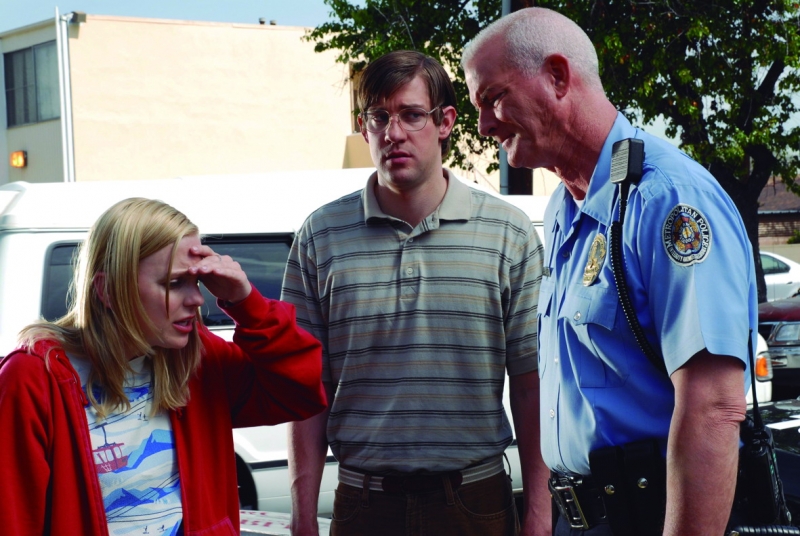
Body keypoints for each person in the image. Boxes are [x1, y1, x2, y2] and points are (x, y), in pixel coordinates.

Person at [462, 7, 757, 536]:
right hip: (582, 515)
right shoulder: (565, 207)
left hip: (652, 515)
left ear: (557, 76)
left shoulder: (668, 198)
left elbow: (713, 407)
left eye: (493, 98)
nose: (483, 125)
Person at [282, 50, 550, 536]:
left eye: (411, 115)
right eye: (379, 117)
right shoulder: (320, 236)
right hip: (363, 508)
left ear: (445, 122)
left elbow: (532, 384)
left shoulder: (509, 234)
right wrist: (303, 518)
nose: (394, 133)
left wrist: (539, 510)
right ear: (363, 128)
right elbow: (307, 388)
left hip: (476, 504)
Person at [0, 197, 327, 536]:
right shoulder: (34, 379)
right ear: (107, 290)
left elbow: (299, 395)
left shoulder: (197, 360)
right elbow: (13, 518)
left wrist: (247, 303)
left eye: (196, 282)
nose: (197, 299)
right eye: (173, 284)